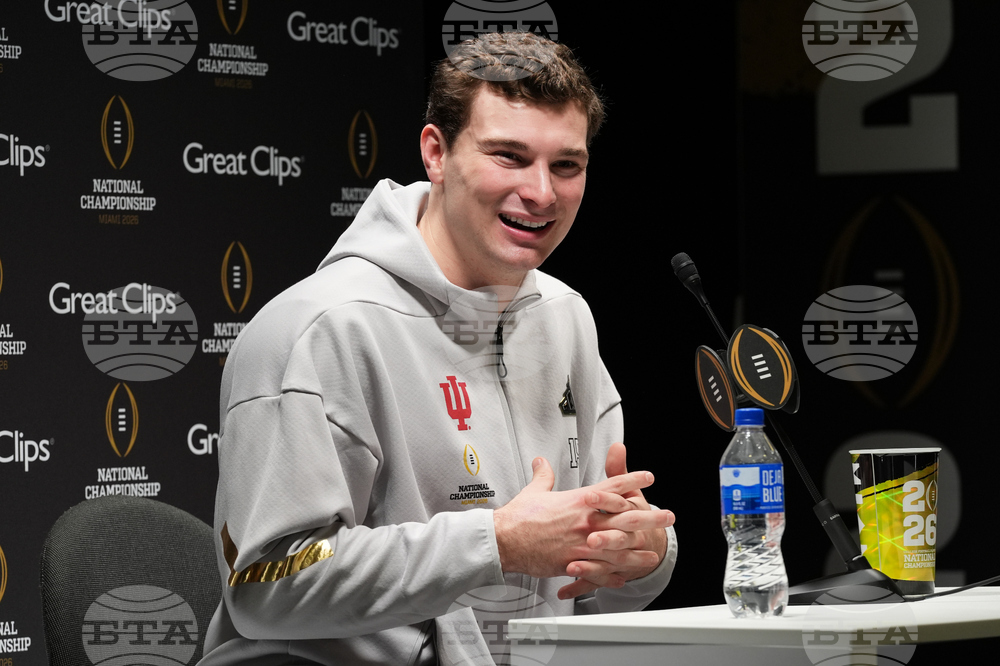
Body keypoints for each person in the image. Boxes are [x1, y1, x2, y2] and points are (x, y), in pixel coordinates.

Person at [199, 32, 677, 666]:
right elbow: (265, 586)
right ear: (436, 153)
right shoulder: (320, 328)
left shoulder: (568, 317)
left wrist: (639, 557)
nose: (541, 193)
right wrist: (495, 544)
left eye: (566, 165)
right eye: (508, 156)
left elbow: (579, 590)